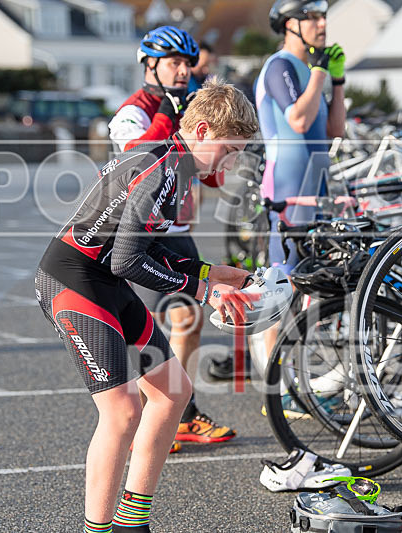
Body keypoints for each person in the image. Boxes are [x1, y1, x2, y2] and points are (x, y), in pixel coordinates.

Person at [35, 78, 260, 533]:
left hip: (103, 277)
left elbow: (142, 250)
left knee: (172, 391)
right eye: (229, 149)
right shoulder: (161, 169)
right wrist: (206, 291)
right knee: (121, 412)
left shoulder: (177, 167)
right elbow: (128, 258)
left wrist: (209, 272)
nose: (232, 162)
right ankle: (96, 529)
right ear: (199, 131)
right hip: (73, 278)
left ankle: (131, 523)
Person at [108, 26, 236, 446]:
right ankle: (162, 412)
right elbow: (139, 154)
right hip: (139, 237)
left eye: (187, 63)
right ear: (150, 65)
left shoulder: (190, 103)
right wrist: (169, 110)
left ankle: (179, 411)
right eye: (174, 63)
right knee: (155, 325)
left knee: (190, 318)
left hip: (178, 230)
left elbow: (212, 178)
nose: (184, 71)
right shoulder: (135, 110)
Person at [251, 0, 345, 408]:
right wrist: (322, 71)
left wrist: (336, 83)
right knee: (283, 287)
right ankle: (279, 391)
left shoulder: (311, 71)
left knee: (312, 289)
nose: (323, 24)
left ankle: (300, 385)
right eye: (313, 18)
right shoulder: (281, 67)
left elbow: (333, 130)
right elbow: (299, 121)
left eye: (324, 17)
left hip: (315, 186)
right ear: (291, 24)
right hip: (288, 191)